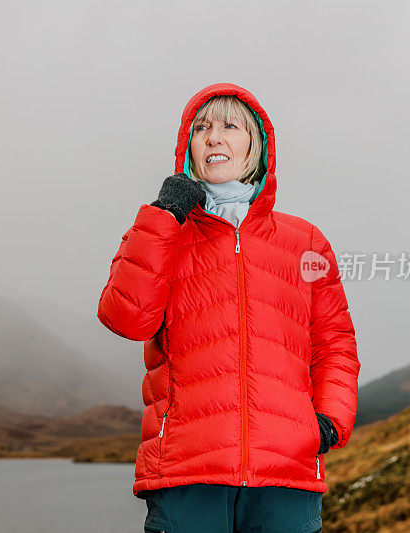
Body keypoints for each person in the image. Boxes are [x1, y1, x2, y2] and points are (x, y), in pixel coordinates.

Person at [97, 83, 360, 532]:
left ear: (255, 145)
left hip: (287, 472)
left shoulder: (306, 241)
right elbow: (126, 317)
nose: (213, 137)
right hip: (185, 470)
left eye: (229, 126)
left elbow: (334, 343)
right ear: (189, 149)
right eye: (201, 128)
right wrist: (164, 215)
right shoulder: (162, 231)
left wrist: (327, 423)